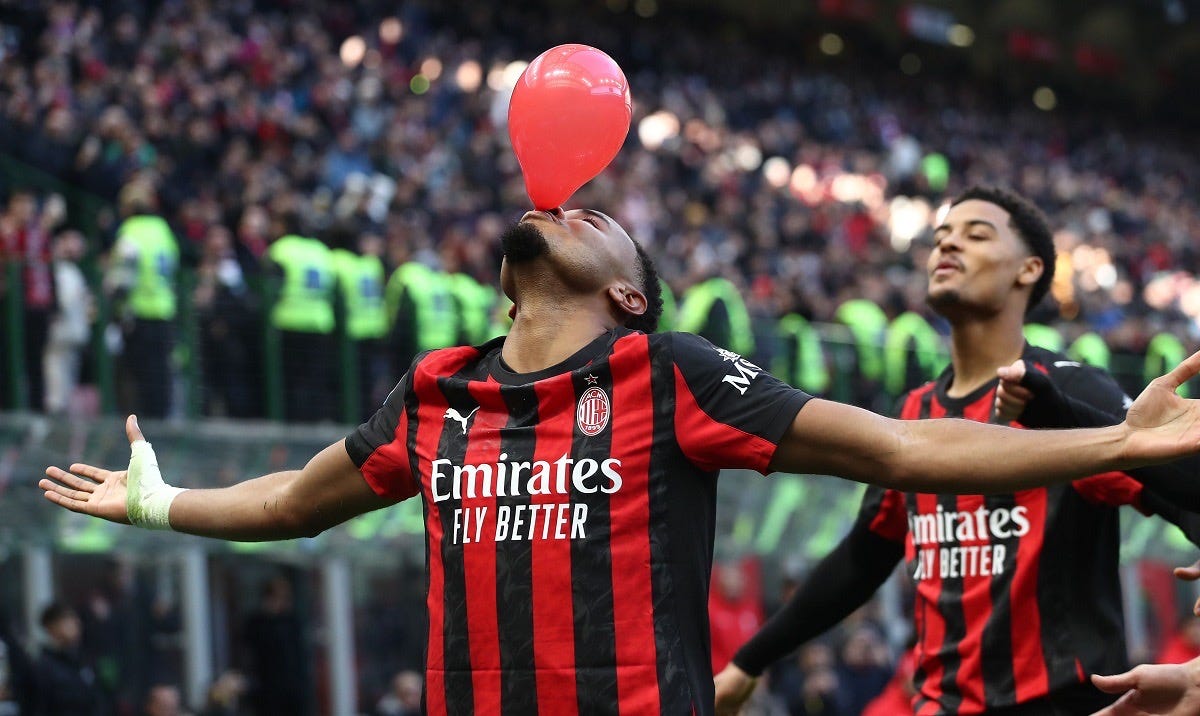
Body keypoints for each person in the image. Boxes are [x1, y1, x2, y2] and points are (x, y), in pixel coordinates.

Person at [40, 205, 1200, 716]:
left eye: (599, 216)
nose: (570, 203)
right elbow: (294, 502)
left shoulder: (671, 374)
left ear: (630, 296)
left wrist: (1121, 438)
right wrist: (165, 499)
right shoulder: (435, 393)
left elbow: (899, 447)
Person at [714, 186, 1200, 715]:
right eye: (941, 235)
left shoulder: (1071, 390)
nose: (947, 245)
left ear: (1029, 269)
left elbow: (1179, 493)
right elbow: (864, 557)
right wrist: (748, 663)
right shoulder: (914, 413)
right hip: (939, 704)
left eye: (976, 234)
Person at [31, 602, 104, 716]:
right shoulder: (43, 668)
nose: (76, 623)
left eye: (75, 619)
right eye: (67, 619)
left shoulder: (83, 660)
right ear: (51, 627)